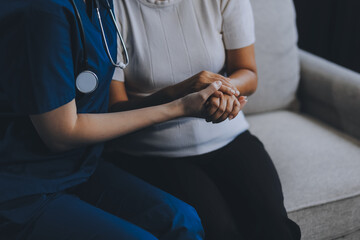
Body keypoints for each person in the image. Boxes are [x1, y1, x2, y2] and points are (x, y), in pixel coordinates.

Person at [0, 0, 237, 239]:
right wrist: (179, 108)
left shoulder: (100, 5)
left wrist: (179, 91)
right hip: (25, 187)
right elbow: (61, 134)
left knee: (183, 221)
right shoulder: (44, 12)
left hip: (82, 167)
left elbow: (104, 113)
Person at [104, 0, 302, 239]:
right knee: (220, 231)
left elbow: (248, 73)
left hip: (229, 136)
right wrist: (180, 93)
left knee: (275, 228)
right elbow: (116, 110)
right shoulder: (109, 8)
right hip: (153, 150)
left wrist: (219, 91)